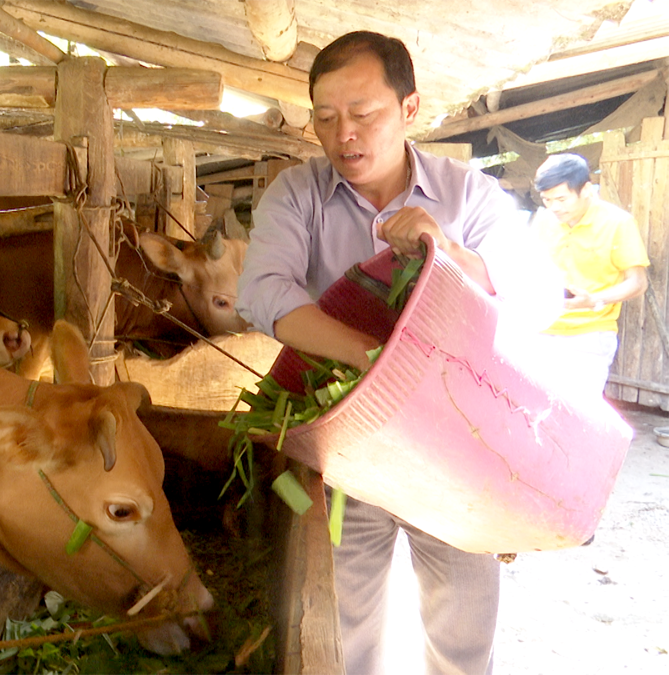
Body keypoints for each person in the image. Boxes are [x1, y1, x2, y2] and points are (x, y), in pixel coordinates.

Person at [236, 31, 560, 675]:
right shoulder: (298, 195)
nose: (343, 135)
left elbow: (537, 294)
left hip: (454, 453)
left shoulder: (468, 196)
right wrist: (375, 361)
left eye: (363, 114)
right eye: (325, 119)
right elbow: (262, 292)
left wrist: (447, 253)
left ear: (410, 108)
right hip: (344, 453)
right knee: (343, 621)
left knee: (463, 628)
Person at [530, 153, 649, 397]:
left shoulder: (618, 223)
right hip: (539, 330)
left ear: (586, 190)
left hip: (589, 336)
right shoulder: (543, 221)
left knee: (575, 416)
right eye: (547, 199)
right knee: (531, 410)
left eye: (562, 199)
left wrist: (593, 300)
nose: (554, 207)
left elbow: (638, 283)